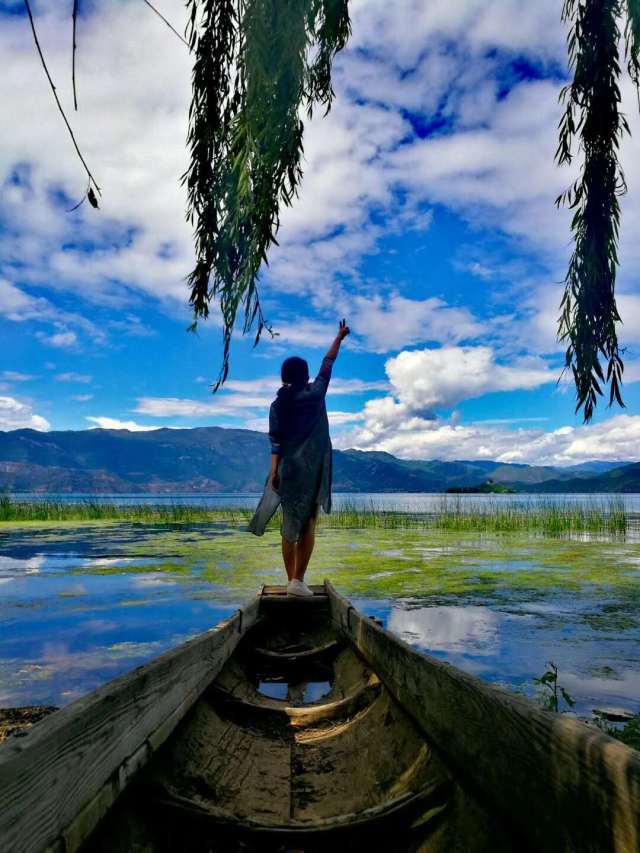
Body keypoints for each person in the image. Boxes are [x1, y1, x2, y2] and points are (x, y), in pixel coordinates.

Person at [248, 320, 350, 596]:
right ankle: (298, 581)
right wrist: (339, 337)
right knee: (308, 522)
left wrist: (274, 472)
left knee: (289, 523)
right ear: (304, 375)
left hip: (287, 470)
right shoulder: (316, 394)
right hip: (311, 470)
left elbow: (275, 441)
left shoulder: (278, 404)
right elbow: (327, 364)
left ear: (284, 376)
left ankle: (290, 579)